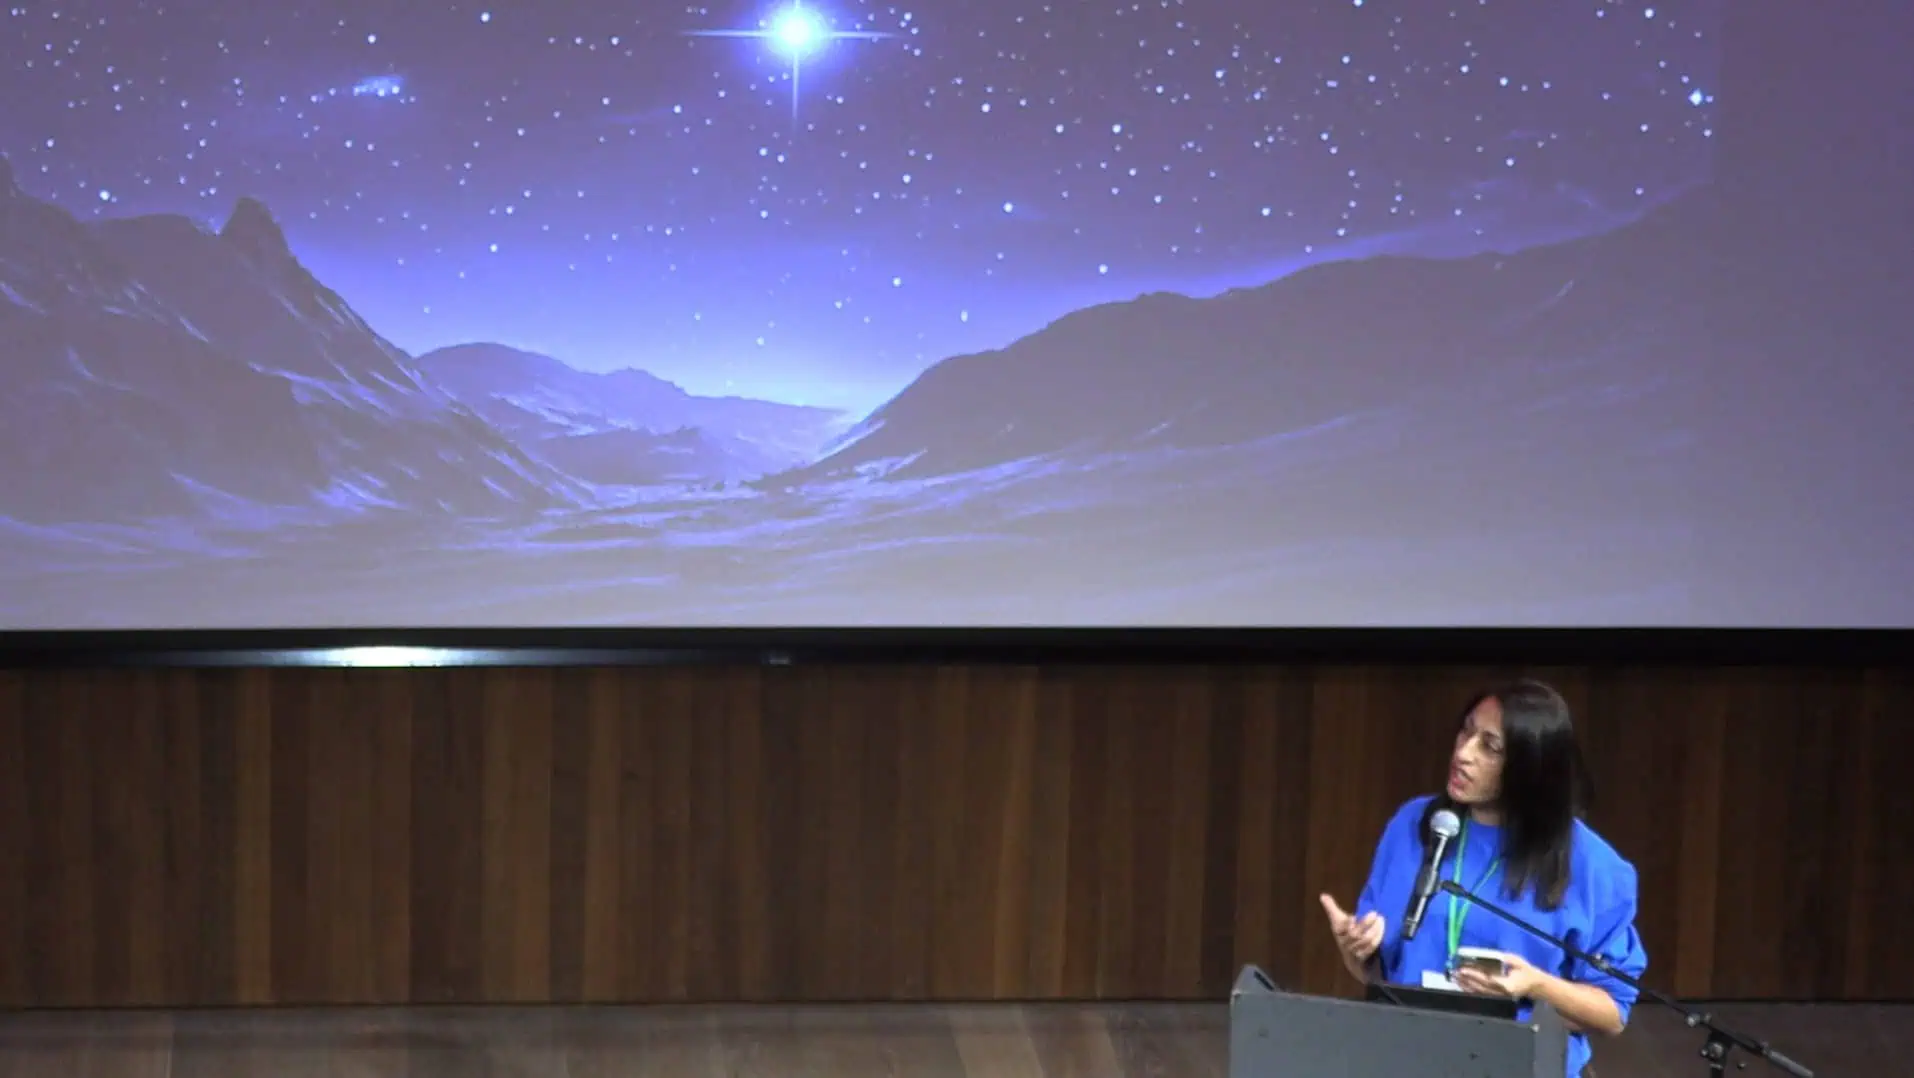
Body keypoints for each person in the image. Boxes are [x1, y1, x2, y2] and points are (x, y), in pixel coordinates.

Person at [1317, 679, 1647, 1078]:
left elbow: (1612, 1013)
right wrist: (1356, 951)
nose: (1463, 753)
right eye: (1466, 731)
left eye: (1489, 747)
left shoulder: (1591, 865)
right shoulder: (1414, 825)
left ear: (1531, 766)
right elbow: (1380, 977)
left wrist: (1535, 986)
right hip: (1409, 1060)